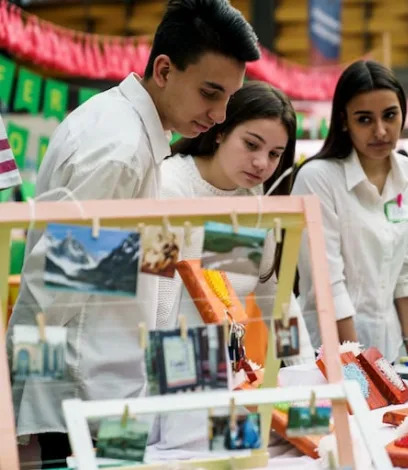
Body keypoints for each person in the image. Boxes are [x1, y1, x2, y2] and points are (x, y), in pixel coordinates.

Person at [8, 1, 259, 466]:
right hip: (88, 405)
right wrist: (15, 403)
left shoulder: (125, 129)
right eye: (210, 93)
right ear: (164, 69)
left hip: (106, 391)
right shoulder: (119, 151)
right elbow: (56, 292)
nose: (220, 115)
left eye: (229, 97)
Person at [150, 81, 314, 453]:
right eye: (251, 144)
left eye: (275, 154)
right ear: (221, 131)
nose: (262, 164)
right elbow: (155, 304)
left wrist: (306, 373)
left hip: (220, 378)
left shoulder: (250, 198)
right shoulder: (171, 186)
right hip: (163, 382)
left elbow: (274, 297)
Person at [291, 60, 408, 362]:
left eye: (390, 115)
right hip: (328, 351)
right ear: (343, 121)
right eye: (364, 119)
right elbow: (328, 284)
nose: (380, 131)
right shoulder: (317, 178)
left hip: (392, 350)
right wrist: (361, 366)